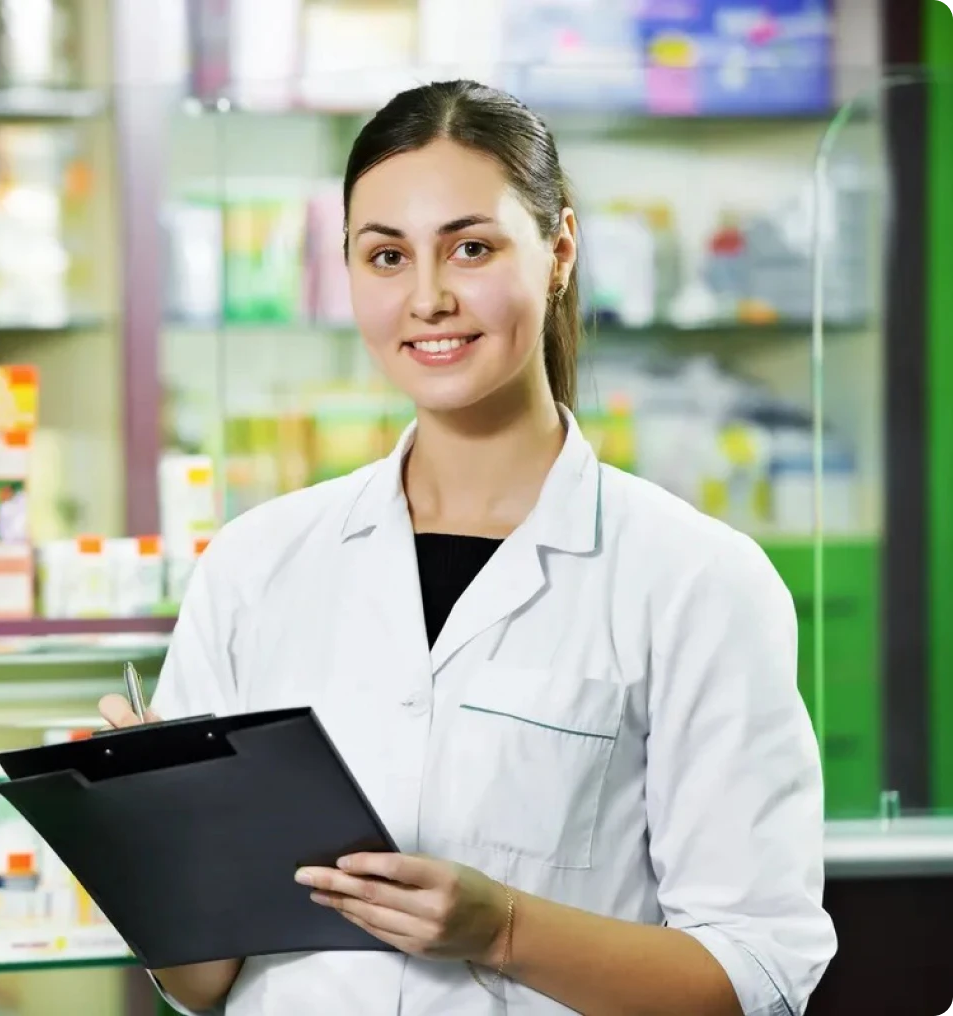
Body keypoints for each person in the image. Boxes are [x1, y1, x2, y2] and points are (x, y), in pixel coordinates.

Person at [100, 79, 836, 1016]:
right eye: (386, 257)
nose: (429, 298)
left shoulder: (695, 580)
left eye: (472, 248)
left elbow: (759, 977)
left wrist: (503, 932)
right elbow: (201, 987)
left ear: (559, 249)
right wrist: (156, 836)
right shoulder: (256, 564)